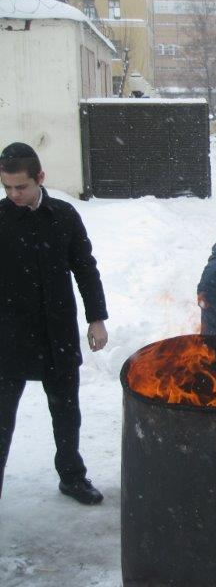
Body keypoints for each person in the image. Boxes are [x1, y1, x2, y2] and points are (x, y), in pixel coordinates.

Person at [0, 142, 108, 505]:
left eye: (21, 187)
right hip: (8, 336)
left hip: (55, 333)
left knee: (66, 414)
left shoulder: (63, 216)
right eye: (7, 188)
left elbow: (85, 268)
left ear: (40, 178)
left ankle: (72, 477)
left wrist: (97, 318)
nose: (14, 194)